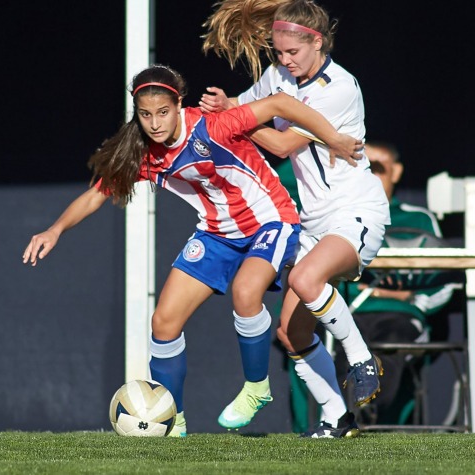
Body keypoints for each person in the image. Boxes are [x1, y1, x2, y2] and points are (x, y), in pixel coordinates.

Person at [22, 64, 363, 437]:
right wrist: (55, 230)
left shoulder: (213, 126)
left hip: (271, 220)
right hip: (217, 234)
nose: (154, 123)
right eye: (146, 115)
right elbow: (96, 195)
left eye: (163, 113)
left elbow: (281, 101)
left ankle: (256, 388)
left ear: (179, 104)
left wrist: (331, 137)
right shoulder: (143, 153)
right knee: (163, 323)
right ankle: (174, 421)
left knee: (246, 293)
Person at [201, 0, 390, 438]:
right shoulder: (277, 76)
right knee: (291, 334)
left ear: (317, 42)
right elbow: (247, 107)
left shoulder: (338, 87)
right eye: (279, 52)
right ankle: (337, 417)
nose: (285, 60)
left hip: (354, 210)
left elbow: (282, 145)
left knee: (305, 280)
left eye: (293, 53)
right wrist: (229, 103)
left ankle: (361, 357)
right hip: (314, 222)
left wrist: (233, 119)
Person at [334, 141, 461, 425]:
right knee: (344, 351)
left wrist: (412, 300)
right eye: (367, 167)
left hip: (403, 318)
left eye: (380, 168)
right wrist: (382, 292)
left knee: (390, 344)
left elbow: (446, 278)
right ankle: (347, 423)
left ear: (397, 171)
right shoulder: (342, 216)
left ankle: (368, 419)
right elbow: (327, 275)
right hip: (352, 314)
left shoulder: (418, 219)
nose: (373, 174)